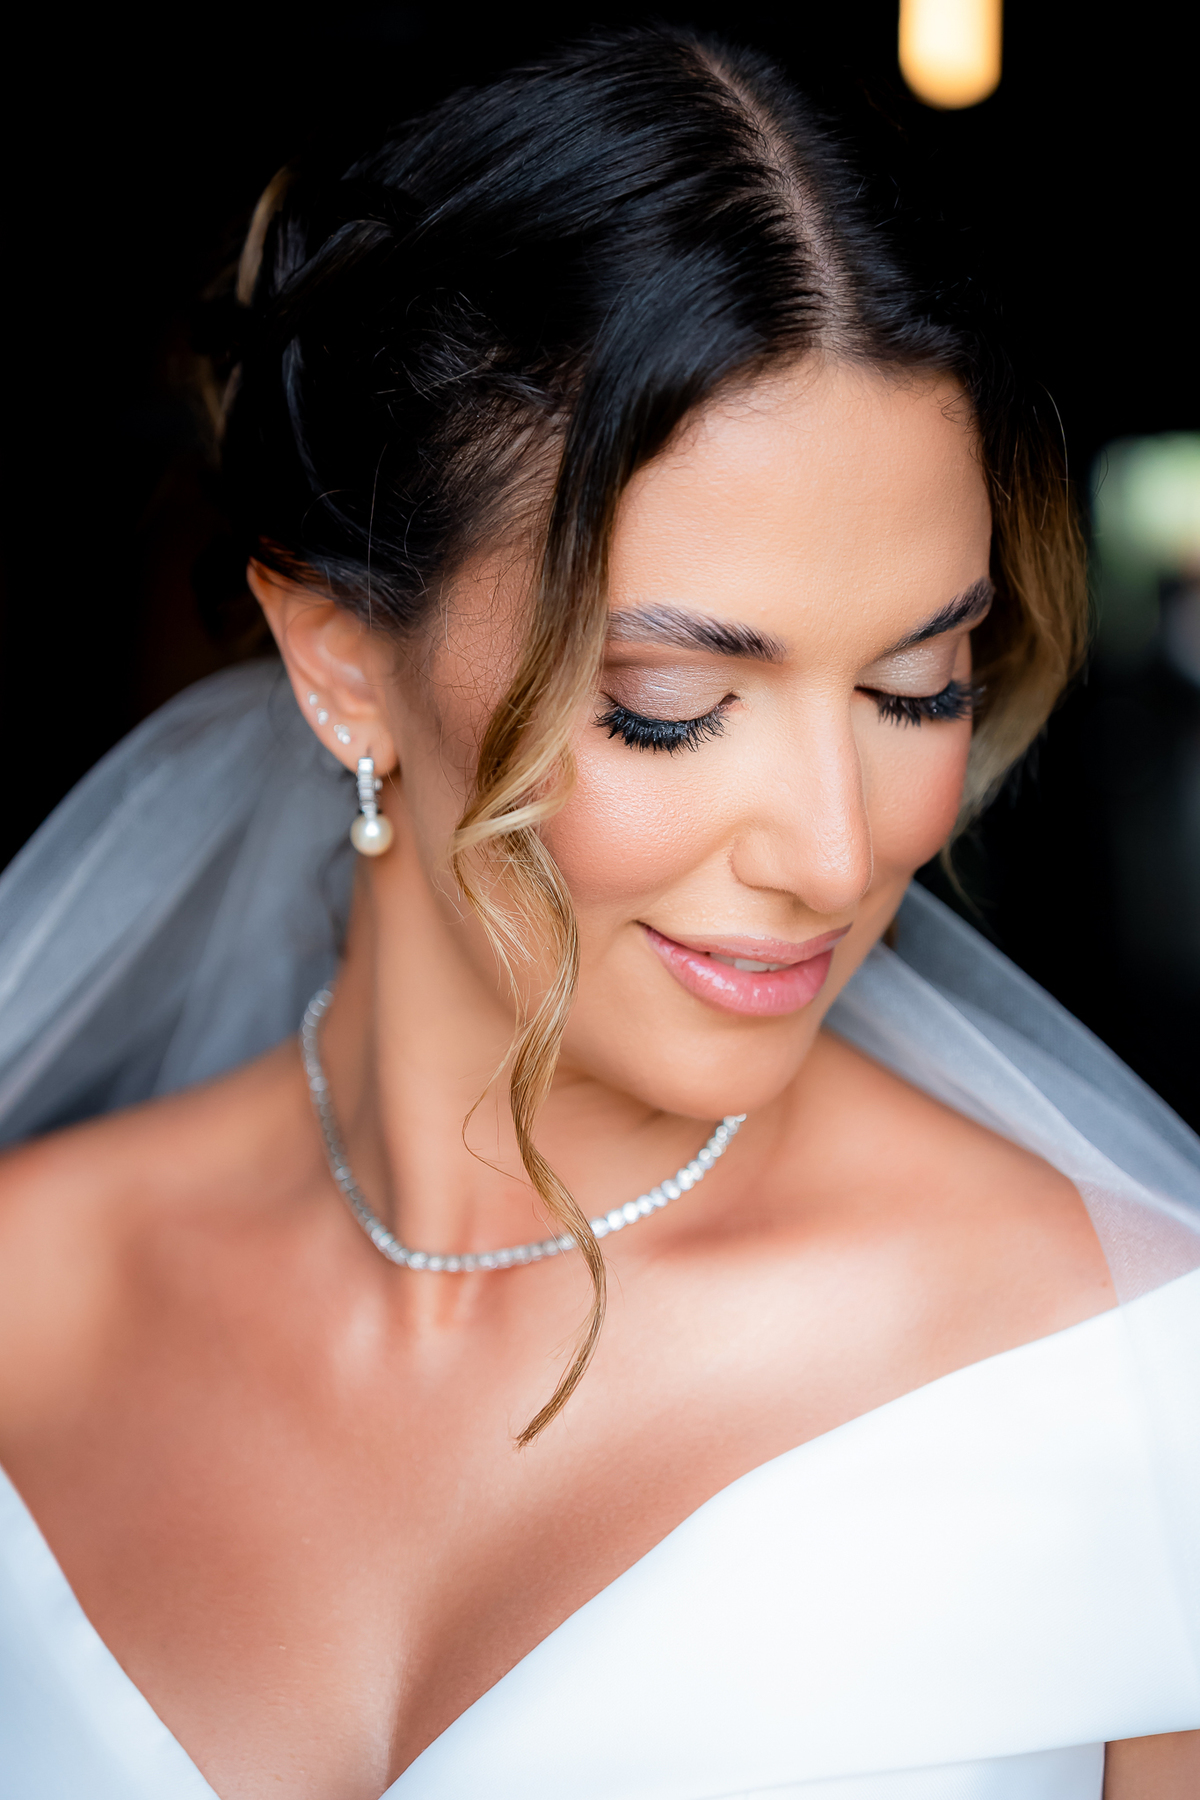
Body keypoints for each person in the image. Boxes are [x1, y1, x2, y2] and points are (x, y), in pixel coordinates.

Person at [0, 25, 1197, 1800]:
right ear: (341, 661)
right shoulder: (29, 1297)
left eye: (918, 687)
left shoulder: (1133, 1399)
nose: (834, 849)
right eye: (668, 703)